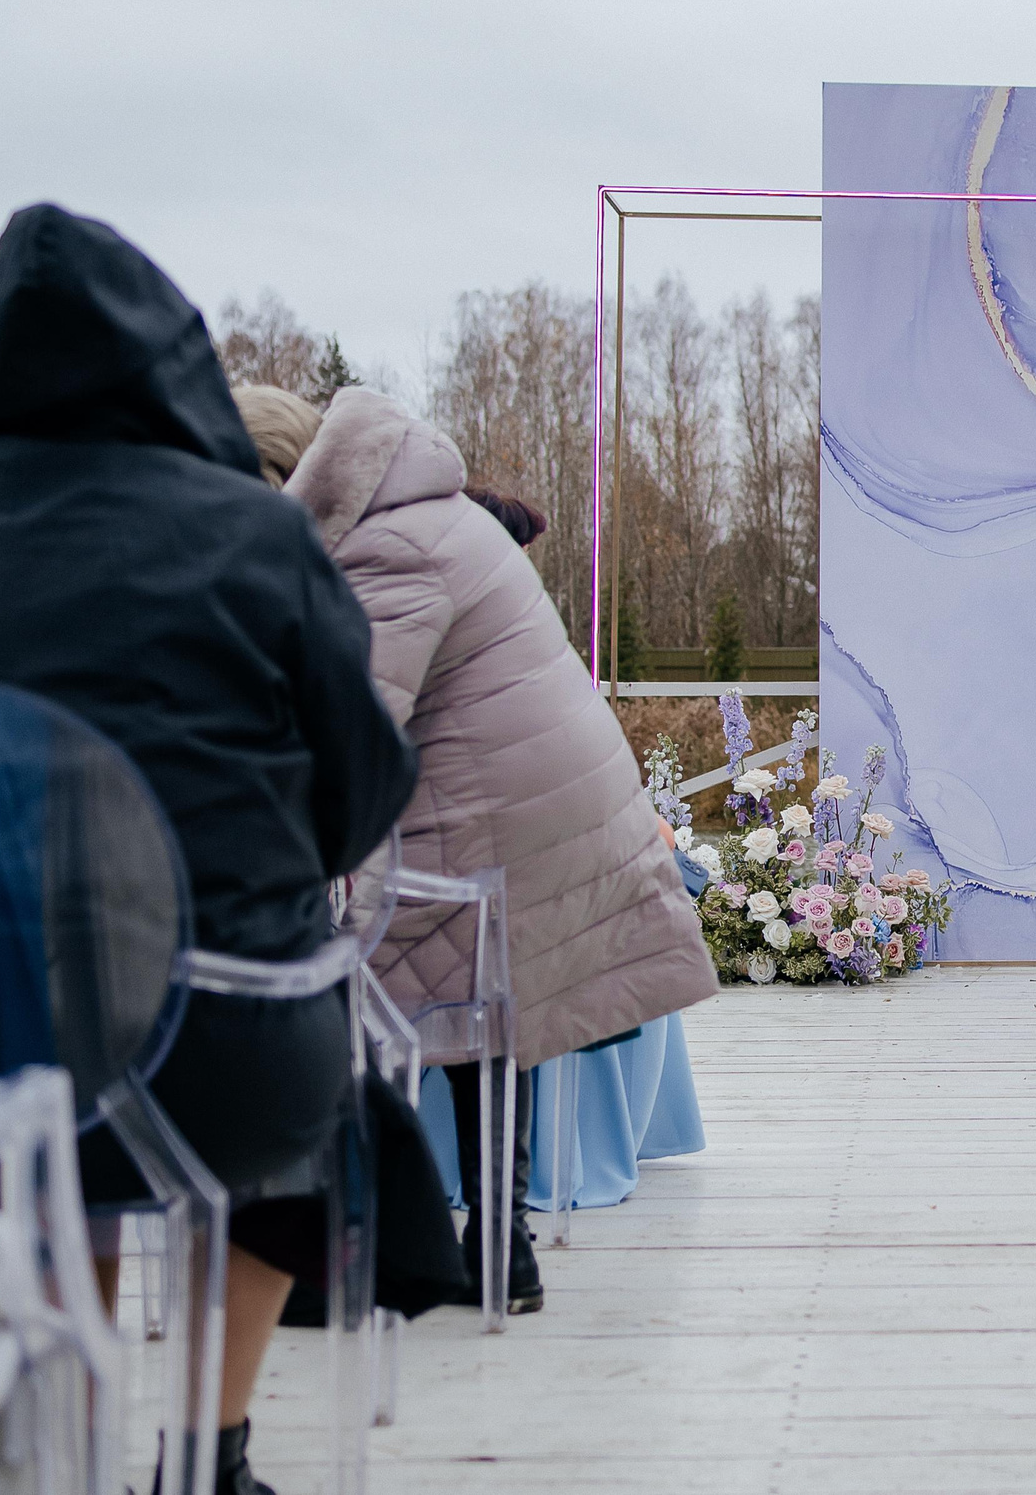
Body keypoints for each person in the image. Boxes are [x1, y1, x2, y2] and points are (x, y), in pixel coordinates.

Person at [0, 204, 427, 1495]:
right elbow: (361, 789)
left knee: (40, 1079)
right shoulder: (251, 531)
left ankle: (54, 1435)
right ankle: (208, 1455)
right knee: (295, 1108)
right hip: (227, 1042)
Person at [246, 383, 719, 1314]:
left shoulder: (381, 547)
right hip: (532, 799)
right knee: (475, 1007)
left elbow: (353, 725)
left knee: (345, 1000)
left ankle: (353, 1254)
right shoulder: (422, 512)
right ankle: (499, 1247)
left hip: (494, 806)